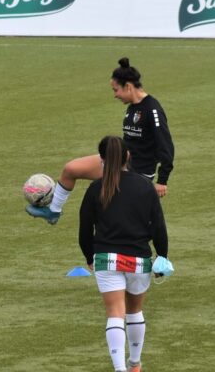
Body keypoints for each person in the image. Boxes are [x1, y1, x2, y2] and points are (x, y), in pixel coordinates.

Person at [27, 57, 174, 225]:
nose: (115, 95)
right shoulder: (132, 107)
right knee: (71, 169)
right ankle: (53, 212)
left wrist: (162, 180)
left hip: (137, 173)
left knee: (117, 217)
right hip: (117, 162)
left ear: (128, 86)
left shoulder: (152, 109)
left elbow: (166, 146)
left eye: (116, 90)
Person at [79, 136, 169, 372]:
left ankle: (120, 369)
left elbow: (84, 228)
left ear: (102, 159)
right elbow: (158, 226)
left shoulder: (95, 188)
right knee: (134, 311)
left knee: (114, 314)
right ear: (128, 156)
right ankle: (135, 363)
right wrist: (162, 256)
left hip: (106, 258)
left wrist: (89, 257)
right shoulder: (144, 186)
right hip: (139, 259)